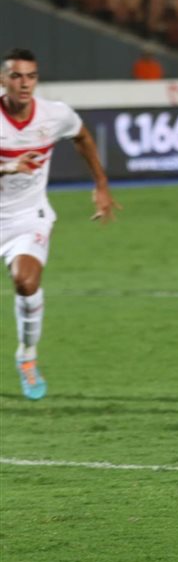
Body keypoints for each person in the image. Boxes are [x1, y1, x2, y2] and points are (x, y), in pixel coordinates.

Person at [0, 48, 121, 400]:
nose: (25, 84)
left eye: (31, 76)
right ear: (3, 79)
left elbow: (82, 137)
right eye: (17, 76)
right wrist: (9, 167)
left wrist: (101, 185)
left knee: (26, 282)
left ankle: (27, 355)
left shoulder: (55, 115)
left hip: (27, 216)